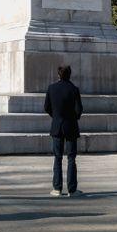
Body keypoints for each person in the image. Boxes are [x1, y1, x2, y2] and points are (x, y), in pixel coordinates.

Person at [44, 65, 83, 197]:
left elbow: (46, 107)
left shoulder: (51, 88)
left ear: (58, 75)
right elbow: (79, 110)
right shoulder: (74, 89)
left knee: (57, 157)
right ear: (70, 74)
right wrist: (72, 118)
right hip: (71, 126)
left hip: (57, 126)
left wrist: (55, 117)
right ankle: (72, 189)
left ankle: (57, 188)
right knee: (71, 158)